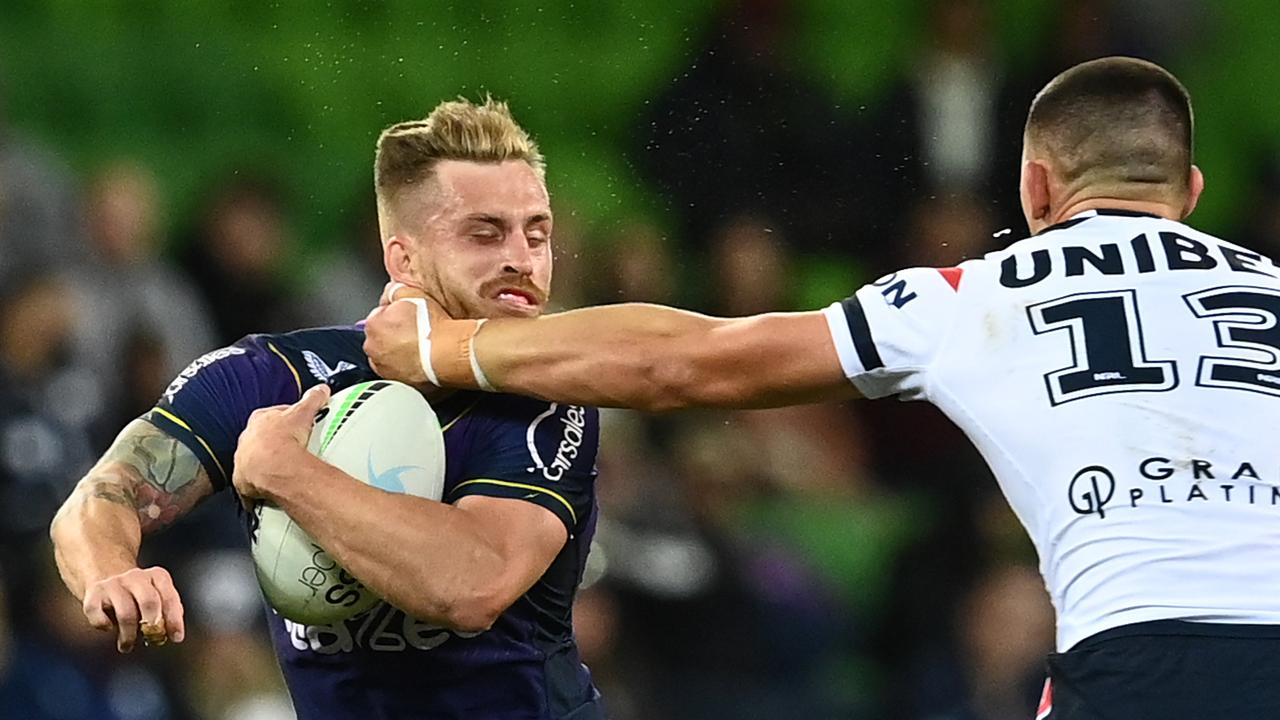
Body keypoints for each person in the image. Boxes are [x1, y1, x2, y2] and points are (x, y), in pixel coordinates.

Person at [366, 57, 1280, 717]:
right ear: (1191, 188)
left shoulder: (978, 295)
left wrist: (449, 350)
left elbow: (690, 362)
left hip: (1138, 665)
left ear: (1035, 189)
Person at [51, 98, 606, 720]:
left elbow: (471, 584)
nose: (522, 260)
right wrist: (109, 571)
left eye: (539, 234)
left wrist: (286, 474)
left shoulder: (546, 398)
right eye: (485, 233)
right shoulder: (275, 375)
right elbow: (99, 496)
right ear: (403, 258)